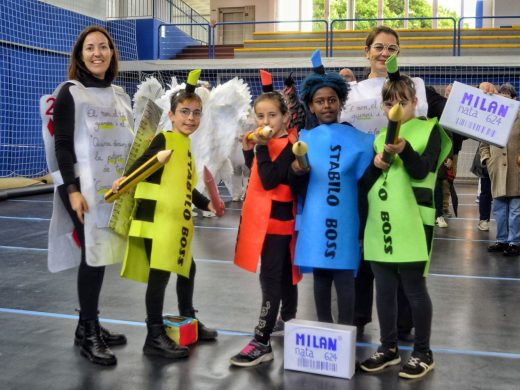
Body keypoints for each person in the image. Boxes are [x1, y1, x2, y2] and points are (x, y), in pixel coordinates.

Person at [112, 72, 220, 359]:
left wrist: (206, 203)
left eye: (196, 113)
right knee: (159, 275)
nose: (191, 118)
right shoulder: (164, 139)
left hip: (174, 222)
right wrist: (123, 181)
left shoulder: (184, 145)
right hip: (155, 221)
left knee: (187, 268)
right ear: (171, 115)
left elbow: (185, 185)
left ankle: (189, 321)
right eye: (184, 112)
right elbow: (139, 165)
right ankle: (154, 334)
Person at [49, 25, 134, 366]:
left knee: (99, 254)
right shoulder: (70, 92)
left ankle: (89, 323)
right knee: (91, 256)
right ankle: (88, 333)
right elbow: (62, 145)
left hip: (110, 191)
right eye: (90, 48)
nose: (97, 52)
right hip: (80, 189)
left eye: (103, 46)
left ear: (112, 53)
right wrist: (72, 191)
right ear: (80, 55)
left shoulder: (120, 95)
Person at [360, 73, 451, 379]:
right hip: (380, 222)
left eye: (402, 101)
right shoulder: (376, 138)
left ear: (414, 102)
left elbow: (424, 170)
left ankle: (423, 352)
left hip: (412, 221)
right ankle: (388, 348)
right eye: (389, 102)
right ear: (383, 107)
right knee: (384, 290)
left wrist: (404, 150)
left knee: (414, 290)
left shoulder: (430, 130)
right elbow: (366, 185)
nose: (396, 106)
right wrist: (375, 165)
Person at [339, 25, 421, 339]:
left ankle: (402, 325)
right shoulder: (352, 91)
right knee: (362, 253)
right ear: (367, 52)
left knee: (398, 253)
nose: (384, 53)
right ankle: (358, 318)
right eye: (379, 47)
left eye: (391, 48)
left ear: (398, 53)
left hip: (401, 186)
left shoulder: (413, 89)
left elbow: (440, 113)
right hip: (364, 179)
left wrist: (485, 91)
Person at [290, 50, 374, 327]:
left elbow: (367, 181)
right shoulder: (304, 139)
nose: (326, 105)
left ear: (340, 102)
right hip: (316, 218)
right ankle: (325, 330)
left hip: (346, 219)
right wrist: (296, 171)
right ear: (311, 107)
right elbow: (294, 183)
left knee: (344, 273)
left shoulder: (361, 140)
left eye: (331, 100)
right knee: (321, 274)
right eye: (319, 101)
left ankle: (347, 333)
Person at [230, 72, 301, 367]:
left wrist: (258, 145)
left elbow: (270, 180)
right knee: (283, 277)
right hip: (265, 222)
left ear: (285, 118)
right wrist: (251, 150)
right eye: (260, 116)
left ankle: (262, 340)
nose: (265, 122)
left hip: (278, 225)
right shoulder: (268, 144)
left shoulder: (288, 145)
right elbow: (256, 172)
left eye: (272, 115)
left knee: (272, 279)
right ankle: (288, 319)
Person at [480, 82, 520, 257]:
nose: (503, 100)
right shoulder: (491, 116)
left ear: (514, 99)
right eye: (500, 97)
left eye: (507, 97)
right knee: (499, 208)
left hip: (516, 169)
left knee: (515, 209)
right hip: (496, 168)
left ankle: (515, 242)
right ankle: (502, 239)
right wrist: (487, 160)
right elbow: (483, 143)